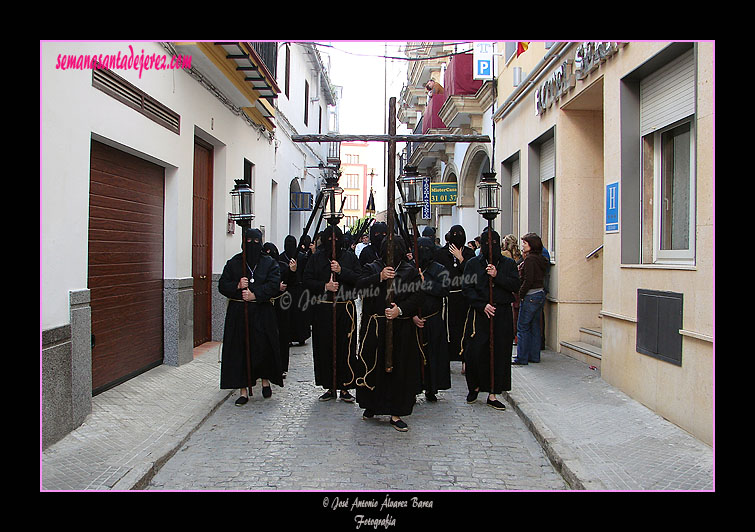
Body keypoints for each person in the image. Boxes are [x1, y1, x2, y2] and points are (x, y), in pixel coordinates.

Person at [352, 235, 424, 431]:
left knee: (398, 370)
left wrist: (400, 310)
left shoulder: (409, 271)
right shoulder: (372, 267)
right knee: (373, 366)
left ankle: (395, 411)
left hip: (400, 329)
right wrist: (380, 277)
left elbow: (418, 296)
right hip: (375, 327)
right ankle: (372, 404)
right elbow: (358, 286)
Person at [219, 228, 283, 405]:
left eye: (256, 241)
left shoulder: (268, 262)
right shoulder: (234, 263)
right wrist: (237, 285)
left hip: (262, 313)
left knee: (263, 348)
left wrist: (256, 294)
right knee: (241, 350)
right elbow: (222, 285)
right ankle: (243, 389)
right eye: (249, 242)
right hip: (240, 314)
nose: (252, 245)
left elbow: (274, 284)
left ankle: (265, 380)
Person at [460, 229, 520, 410]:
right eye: (487, 243)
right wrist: (482, 305)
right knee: (476, 351)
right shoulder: (473, 264)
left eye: (494, 243)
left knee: (499, 353)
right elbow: (467, 288)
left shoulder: (508, 264)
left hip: (501, 313)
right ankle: (475, 386)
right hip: (480, 314)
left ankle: (493, 392)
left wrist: (497, 276)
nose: (490, 247)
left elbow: (515, 286)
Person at [302, 225, 362, 402]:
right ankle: (329, 386)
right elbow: (306, 280)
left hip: (345, 309)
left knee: (345, 347)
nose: (333, 242)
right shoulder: (316, 258)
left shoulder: (349, 257)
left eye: (336, 239)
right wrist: (324, 286)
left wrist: (341, 271)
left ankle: (345, 386)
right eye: (330, 239)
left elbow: (359, 278)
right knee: (325, 347)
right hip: (323, 309)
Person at [414, 236, 451, 402]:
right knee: (414, 356)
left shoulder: (439, 269)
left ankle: (432, 387)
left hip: (434, 318)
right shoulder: (411, 268)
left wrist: (425, 284)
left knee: (434, 355)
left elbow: (444, 289)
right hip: (414, 320)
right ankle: (414, 387)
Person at [435, 225, 475, 366]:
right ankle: (446, 360)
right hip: (447, 298)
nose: (457, 236)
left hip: (463, 298)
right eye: (455, 234)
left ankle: (464, 358)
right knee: (447, 331)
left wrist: (461, 259)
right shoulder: (441, 253)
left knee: (464, 329)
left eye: (460, 234)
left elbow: (472, 275)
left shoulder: (469, 254)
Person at [513, 233, 549, 365]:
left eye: (525, 243)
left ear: (531, 245)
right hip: (539, 293)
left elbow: (528, 280)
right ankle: (534, 355)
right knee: (534, 326)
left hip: (530, 295)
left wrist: (521, 294)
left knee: (522, 327)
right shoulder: (540, 258)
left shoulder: (530, 260)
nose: (523, 245)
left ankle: (522, 357)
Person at [263, 241, 293, 378]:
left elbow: (293, 282)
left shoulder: (283, 266)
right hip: (265, 305)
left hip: (281, 305)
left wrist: (293, 272)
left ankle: (281, 367)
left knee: (282, 335)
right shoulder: (261, 267)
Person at [502, 234, 523, 345]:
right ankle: (516, 336)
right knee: (517, 312)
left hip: (509, 287)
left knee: (513, 314)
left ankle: (514, 335)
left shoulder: (505, 255)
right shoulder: (519, 255)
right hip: (517, 287)